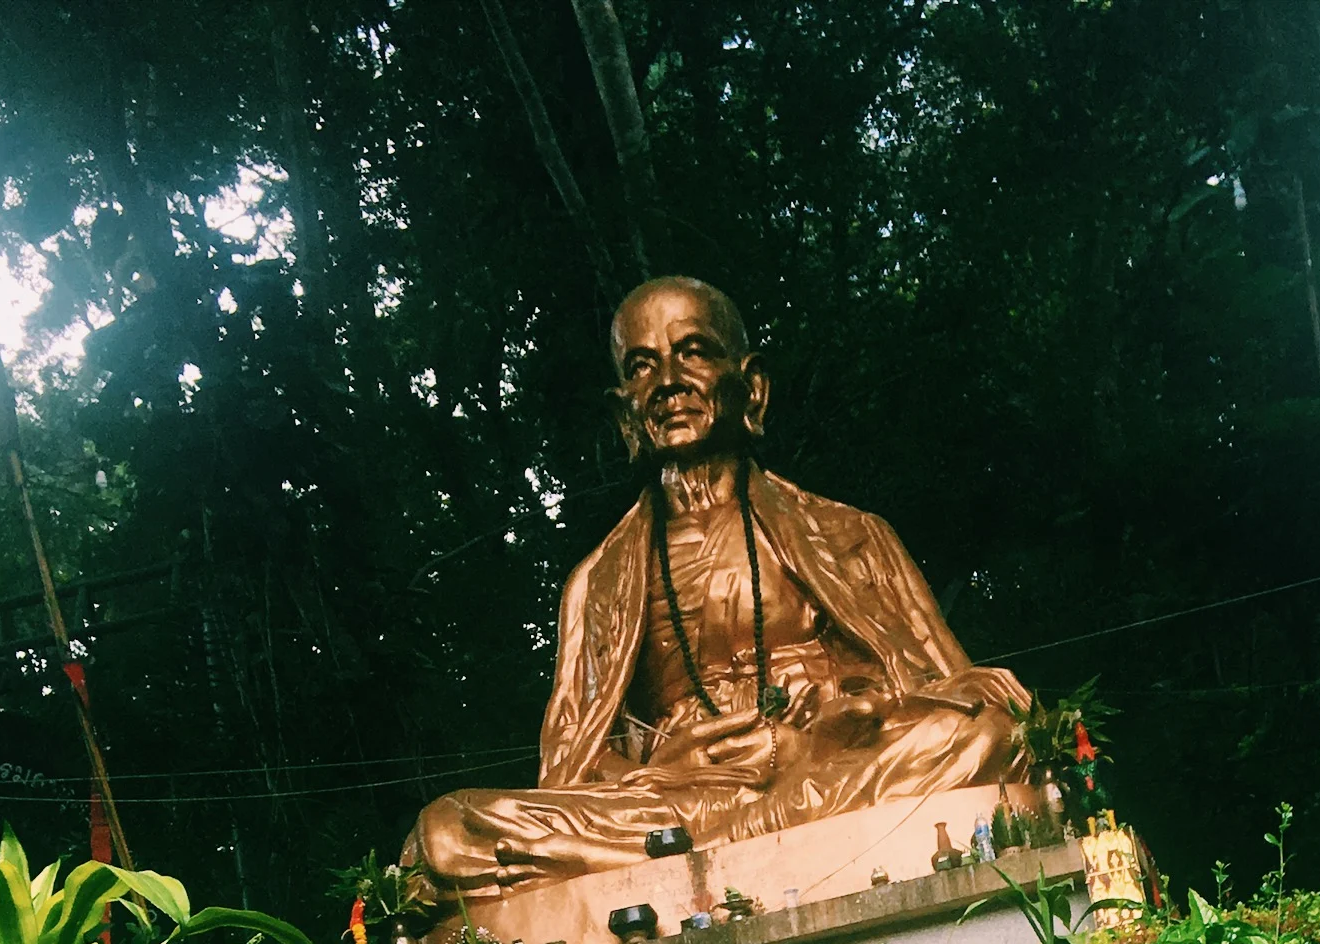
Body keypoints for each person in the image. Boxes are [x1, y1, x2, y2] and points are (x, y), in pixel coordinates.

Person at [404, 277, 1028, 897]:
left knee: (991, 731)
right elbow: (572, 766)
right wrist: (661, 768)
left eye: (693, 352)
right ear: (625, 412)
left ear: (751, 386)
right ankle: (755, 837)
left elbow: (935, 681)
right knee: (446, 832)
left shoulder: (847, 534)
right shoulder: (595, 584)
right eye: (642, 367)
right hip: (677, 800)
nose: (668, 382)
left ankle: (718, 848)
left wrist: (839, 720)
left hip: (825, 761)